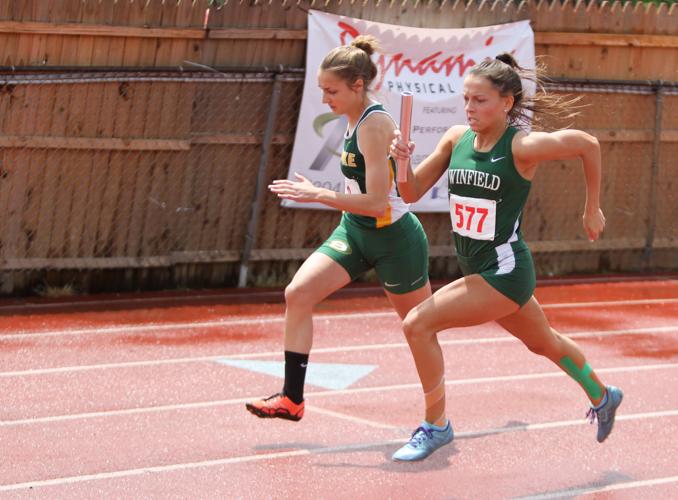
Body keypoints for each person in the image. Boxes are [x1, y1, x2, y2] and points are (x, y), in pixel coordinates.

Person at [388, 53, 623, 462]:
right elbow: (409, 193)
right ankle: (603, 396)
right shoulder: (455, 139)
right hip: (479, 269)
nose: (470, 108)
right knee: (544, 343)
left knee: (417, 324)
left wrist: (591, 208)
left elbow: (588, 143)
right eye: (466, 99)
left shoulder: (522, 147)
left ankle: (436, 425)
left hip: (505, 272)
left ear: (507, 103)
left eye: (480, 100)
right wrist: (402, 163)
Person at [245, 36, 432, 423]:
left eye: (331, 91)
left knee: (420, 328)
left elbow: (378, 202)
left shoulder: (375, 124)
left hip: (394, 238)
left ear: (357, 86)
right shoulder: (351, 119)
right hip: (356, 231)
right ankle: (291, 399)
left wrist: (317, 194)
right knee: (298, 294)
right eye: (322, 90)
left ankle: (437, 417)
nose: (325, 98)